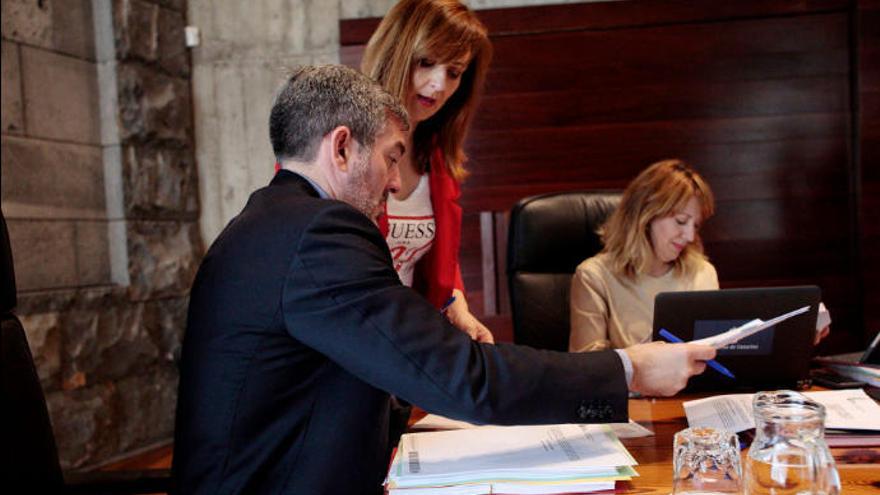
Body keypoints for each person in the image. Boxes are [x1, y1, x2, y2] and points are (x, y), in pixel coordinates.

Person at [172, 65, 716, 494]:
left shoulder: (264, 223)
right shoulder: (320, 230)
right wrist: (628, 368)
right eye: (390, 158)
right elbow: (465, 380)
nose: (393, 182)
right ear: (341, 147)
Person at [361, 0, 493, 343]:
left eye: (454, 72)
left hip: (407, 346)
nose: (439, 85)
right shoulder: (341, 145)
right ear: (397, 53)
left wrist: (457, 304)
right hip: (350, 351)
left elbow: (441, 260)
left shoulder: (436, 157)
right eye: (427, 62)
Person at [570, 159, 719, 352]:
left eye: (696, 225)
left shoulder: (702, 273)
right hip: (627, 383)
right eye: (681, 221)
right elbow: (586, 368)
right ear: (646, 215)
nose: (690, 236)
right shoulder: (593, 276)